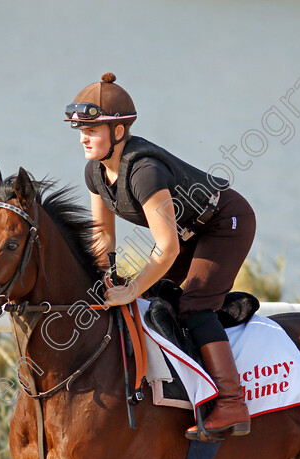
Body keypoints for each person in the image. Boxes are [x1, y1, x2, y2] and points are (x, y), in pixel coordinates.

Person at [65, 73, 256, 440]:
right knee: (157, 301)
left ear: (119, 132)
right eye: (80, 130)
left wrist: (131, 288)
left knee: (195, 305)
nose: (83, 138)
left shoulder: (144, 171)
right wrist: (103, 281)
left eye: (91, 129)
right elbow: (103, 235)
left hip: (224, 223)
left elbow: (166, 247)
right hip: (191, 231)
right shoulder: (94, 171)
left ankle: (232, 402)